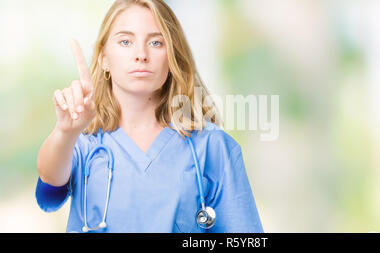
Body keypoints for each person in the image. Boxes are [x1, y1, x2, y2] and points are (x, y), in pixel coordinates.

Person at [35, 0, 263, 233]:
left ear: (172, 55)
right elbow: (49, 191)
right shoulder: (82, 142)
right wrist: (65, 131)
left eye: (156, 42)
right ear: (104, 58)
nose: (141, 55)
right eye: (126, 41)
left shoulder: (211, 146)